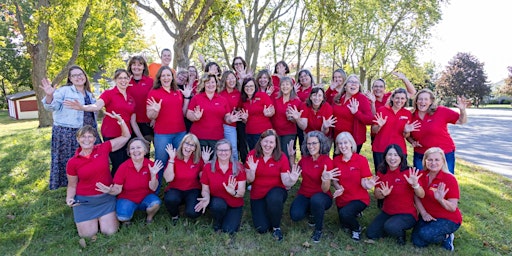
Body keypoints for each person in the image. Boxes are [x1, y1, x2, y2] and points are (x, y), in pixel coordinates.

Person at [65, 69, 145, 175]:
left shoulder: (131, 99)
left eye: (125, 78)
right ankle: (113, 189)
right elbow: (97, 106)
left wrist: (141, 138)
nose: (123, 80)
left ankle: (124, 187)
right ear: (115, 80)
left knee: (126, 163)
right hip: (112, 134)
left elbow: (133, 122)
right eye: (120, 78)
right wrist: (82, 107)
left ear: (129, 80)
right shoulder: (109, 94)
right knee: (118, 164)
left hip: (127, 135)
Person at [65, 112, 130, 237]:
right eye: (83, 137)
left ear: (94, 139)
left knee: (110, 232)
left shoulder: (102, 148)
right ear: (78, 139)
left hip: (105, 198)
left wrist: (121, 121)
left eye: (90, 137)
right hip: (85, 201)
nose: (86, 139)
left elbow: (126, 136)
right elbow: (72, 185)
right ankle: (91, 221)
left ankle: (103, 220)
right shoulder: (72, 162)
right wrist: (69, 198)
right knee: (88, 236)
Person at [40, 65, 99, 190]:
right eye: (74, 75)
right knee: (72, 162)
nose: (78, 77)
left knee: (89, 161)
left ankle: (88, 185)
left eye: (80, 74)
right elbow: (51, 107)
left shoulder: (89, 94)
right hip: (68, 133)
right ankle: (73, 189)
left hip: (88, 133)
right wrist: (50, 95)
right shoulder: (64, 91)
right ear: (70, 79)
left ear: (85, 76)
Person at [245, 129, 300, 241]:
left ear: (275, 144)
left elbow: (286, 182)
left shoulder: (281, 156)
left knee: (273, 198)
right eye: (265, 141)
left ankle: (276, 228)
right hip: (258, 194)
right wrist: (252, 171)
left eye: (271, 142)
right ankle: (267, 211)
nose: (268, 145)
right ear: (260, 141)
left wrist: (292, 180)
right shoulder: (252, 155)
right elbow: (249, 180)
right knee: (262, 228)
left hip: (276, 192)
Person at [366, 144, 425, 245]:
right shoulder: (382, 172)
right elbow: (377, 195)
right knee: (371, 233)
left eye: (396, 155)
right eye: (389, 155)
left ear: (401, 157)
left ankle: (400, 235)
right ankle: (389, 227)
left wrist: (415, 185)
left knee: (391, 226)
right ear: (385, 157)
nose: (392, 158)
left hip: (407, 214)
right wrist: (382, 194)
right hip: (388, 212)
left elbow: (422, 195)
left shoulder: (409, 172)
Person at [146, 66, 192, 192]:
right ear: (159, 78)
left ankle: (175, 188)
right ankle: (155, 190)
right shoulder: (154, 93)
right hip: (163, 134)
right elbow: (150, 116)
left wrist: (187, 98)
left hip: (180, 132)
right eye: (163, 76)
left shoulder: (177, 92)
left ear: (173, 77)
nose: (166, 78)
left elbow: (182, 113)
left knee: (179, 160)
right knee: (160, 161)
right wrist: (155, 111)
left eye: (168, 75)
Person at [289, 131, 340, 243]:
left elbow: (325, 189)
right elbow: (295, 171)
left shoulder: (327, 161)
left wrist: (325, 179)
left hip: (322, 196)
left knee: (316, 200)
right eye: (308, 144)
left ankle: (318, 229)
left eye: (314, 143)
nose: (311, 146)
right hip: (304, 193)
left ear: (321, 144)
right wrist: (291, 155)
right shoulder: (305, 159)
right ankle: (311, 212)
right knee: (295, 215)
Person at [97, 138, 163, 224]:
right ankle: (127, 220)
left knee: (156, 203)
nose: (136, 151)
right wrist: (110, 190)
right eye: (132, 148)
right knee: (122, 217)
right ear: (129, 152)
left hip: (145, 197)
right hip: (127, 198)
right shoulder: (123, 167)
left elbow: (153, 188)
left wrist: (153, 175)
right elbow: (117, 189)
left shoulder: (151, 165)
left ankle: (149, 218)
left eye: (139, 147)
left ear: (145, 150)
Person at [411, 147, 462, 251]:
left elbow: (452, 207)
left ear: (443, 161)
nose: (433, 163)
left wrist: (441, 200)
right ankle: (433, 233)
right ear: (425, 161)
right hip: (429, 216)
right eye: (429, 159)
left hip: (448, 218)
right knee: (417, 241)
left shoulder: (450, 179)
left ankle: (447, 237)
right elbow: (416, 196)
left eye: (437, 160)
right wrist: (424, 213)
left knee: (425, 234)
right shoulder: (421, 175)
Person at [332, 132, 379, 241]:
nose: (343, 146)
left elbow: (364, 182)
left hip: (359, 198)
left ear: (351, 144)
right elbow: (334, 181)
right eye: (340, 143)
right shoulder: (335, 161)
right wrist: (338, 187)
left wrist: (368, 185)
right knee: (344, 224)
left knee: (345, 214)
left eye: (345, 143)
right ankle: (354, 214)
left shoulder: (361, 160)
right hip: (343, 199)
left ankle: (357, 229)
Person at [408, 89, 469, 174]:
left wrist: (462, 110)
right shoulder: (410, 115)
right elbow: (406, 133)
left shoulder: (441, 111)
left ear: (431, 101)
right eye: (420, 99)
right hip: (421, 154)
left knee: (445, 181)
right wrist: (412, 141)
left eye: (426, 99)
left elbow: (461, 121)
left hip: (444, 153)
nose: (422, 102)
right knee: (420, 181)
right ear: (416, 101)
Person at [195, 139, 247, 234]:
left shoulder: (238, 167)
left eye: (226, 150)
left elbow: (241, 192)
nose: (223, 153)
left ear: (231, 151)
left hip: (234, 203)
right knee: (217, 205)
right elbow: (205, 189)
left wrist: (233, 192)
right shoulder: (208, 167)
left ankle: (231, 217)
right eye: (220, 150)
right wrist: (206, 197)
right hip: (218, 202)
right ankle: (217, 222)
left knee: (229, 230)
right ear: (216, 151)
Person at [163, 133, 211, 225]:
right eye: (186, 143)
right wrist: (171, 160)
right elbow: (168, 179)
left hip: (192, 189)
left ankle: (187, 205)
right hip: (175, 188)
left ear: (195, 148)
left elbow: (204, 178)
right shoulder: (174, 156)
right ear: (182, 144)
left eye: (192, 145)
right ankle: (175, 215)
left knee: (193, 213)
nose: (188, 147)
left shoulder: (198, 159)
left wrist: (205, 163)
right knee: (171, 199)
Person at [187, 73, 240, 151]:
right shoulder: (196, 98)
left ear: (216, 83)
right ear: (203, 84)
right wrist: (195, 117)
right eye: (207, 82)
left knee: (213, 162)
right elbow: (188, 114)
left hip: (217, 138)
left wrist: (230, 119)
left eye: (213, 82)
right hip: (199, 137)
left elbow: (227, 117)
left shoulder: (222, 99)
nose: (210, 85)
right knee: (199, 161)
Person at [371, 88, 420, 171]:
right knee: (381, 177)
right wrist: (379, 126)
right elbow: (373, 130)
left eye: (402, 98)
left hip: (399, 151)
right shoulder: (382, 110)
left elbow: (406, 135)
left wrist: (406, 131)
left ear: (405, 100)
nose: (399, 101)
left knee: (399, 178)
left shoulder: (407, 114)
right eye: (397, 98)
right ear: (392, 98)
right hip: (380, 148)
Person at [332, 74, 373, 153]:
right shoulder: (338, 98)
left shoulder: (361, 98)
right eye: (351, 81)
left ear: (359, 87)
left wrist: (356, 113)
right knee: (337, 162)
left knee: (350, 164)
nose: (354, 84)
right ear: (345, 86)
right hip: (338, 138)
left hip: (353, 140)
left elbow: (370, 120)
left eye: (356, 82)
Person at [126, 56, 154, 155]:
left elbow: (156, 100)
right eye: (134, 64)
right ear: (130, 66)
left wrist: (154, 118)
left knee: (145, 152)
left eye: (139, 64)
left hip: (147, 122)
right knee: (132, 153)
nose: (136, 67)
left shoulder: (150, 82)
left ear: (144, 67)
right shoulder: (125, 82)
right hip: (129, 123)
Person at [271, 76, 302, 159]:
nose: (285, 87)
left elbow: (298, 119)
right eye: (283, 85)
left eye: (287, 84)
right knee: (276, 155)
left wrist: (292, 118)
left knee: (287, 155)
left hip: (289, 133)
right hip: (275, 132)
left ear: (292, 87)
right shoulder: (275, 98)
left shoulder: (296, 101)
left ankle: (288, 171)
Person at [240, 77, 275, 150]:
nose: (249, 88)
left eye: (251, 86)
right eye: (246, 86)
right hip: (249, 132)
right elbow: (244, 120)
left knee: (263, 153)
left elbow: (272, 111)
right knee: (253, 153)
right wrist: (244, 119)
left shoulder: (262, 96)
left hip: (263, 132)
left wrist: (268, 113)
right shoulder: (243, 100)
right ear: (243, 88)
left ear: (255, 87)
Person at [219, 70, 243, 161]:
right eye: (228, 78)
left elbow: (241, 108)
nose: (231, 80)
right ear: (224, 80)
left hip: (231, 126)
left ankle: (235, 170)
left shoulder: (238, 94)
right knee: (220, 148)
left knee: (233, 148)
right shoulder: (220, 93)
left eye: (233, 78)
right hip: (218, 125)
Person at [230, 57, 251, 163]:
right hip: (233, 115)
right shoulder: (232, 78)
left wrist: (243, 79)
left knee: (244, 142)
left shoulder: (249, 77)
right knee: (234, 143)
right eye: (236, 64)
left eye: (240, 63)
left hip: (244, 114)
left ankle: (246, 164)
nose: (238, 66)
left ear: (244, 65)